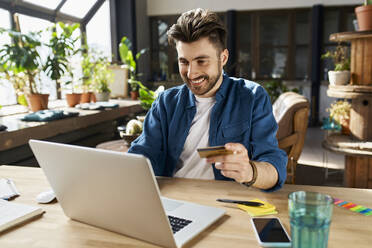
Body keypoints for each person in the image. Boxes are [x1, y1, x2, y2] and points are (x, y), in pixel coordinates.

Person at [128, 8, 287, 192]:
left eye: (201, 61)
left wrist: (250, 171)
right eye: (184, 62)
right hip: (172, 201)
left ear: (223, 58)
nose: (191, 73)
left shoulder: (251, 97)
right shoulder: (166, 102)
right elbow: (142, 155)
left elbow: (275, 166)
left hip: (227, 202)